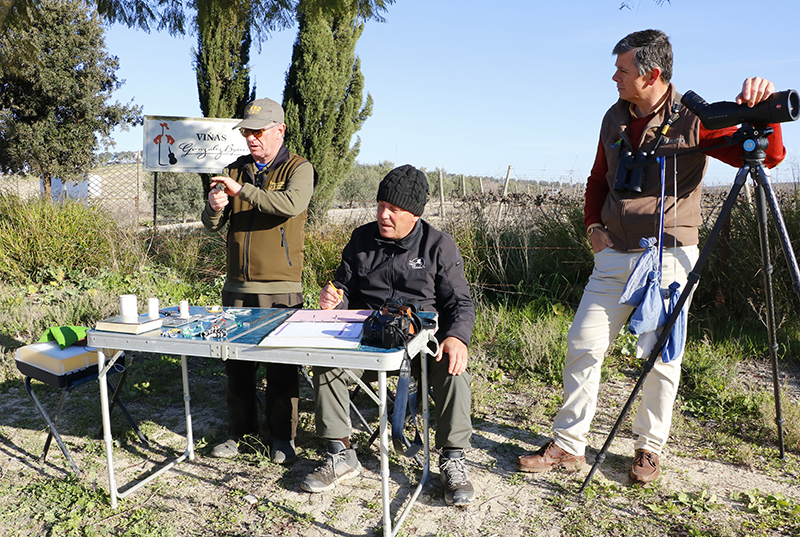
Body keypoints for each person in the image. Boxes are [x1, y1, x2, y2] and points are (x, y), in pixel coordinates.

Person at [516, 29, 786, 484]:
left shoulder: (695, 117)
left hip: (669, 258)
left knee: (661, 357)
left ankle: (648, 449)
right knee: (583, 343)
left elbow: (766, 156)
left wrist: (765, 109)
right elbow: (599, 176)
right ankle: (568, 444)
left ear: (652, 74)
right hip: (614, 255)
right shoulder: (614, 117)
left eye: (622, 70)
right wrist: (593, 227)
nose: (614, 77)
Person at [301, 164, 477, 506]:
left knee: (455, 368)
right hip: (367, 340)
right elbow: (345, 289)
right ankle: (340, 452)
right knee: (326, 362)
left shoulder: (439, 245)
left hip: (420, 345)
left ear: (414, 214)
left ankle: (452, 458)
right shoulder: (361, 239)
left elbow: (460, 302)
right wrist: (334, 298)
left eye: (394, 210)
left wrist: (457, 337)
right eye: (381, 205)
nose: (384, 215)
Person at [201, 97, 315, 464]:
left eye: (258, 131)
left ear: (280, 130)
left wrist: (241, 192)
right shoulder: (234, 170)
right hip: (236, 285)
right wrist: (214, 207)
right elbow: (212, 225)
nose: (251, 138)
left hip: (280, 288)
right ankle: (239, 433)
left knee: (282, 368)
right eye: (247, 132)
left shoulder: (300, 168)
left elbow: (288, 205)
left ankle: (282, 438)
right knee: (236, 364)